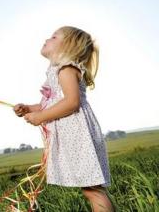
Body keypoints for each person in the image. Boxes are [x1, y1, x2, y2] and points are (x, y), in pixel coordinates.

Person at [13, 26, 115, 211]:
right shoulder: (56, 72)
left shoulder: (66, 70)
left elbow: (71, 102)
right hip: (74, 135)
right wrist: (29, 108)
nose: (47, 38)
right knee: (91, 189)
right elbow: (53, 103)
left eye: (53, 37)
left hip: (79, 135)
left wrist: (40, 117)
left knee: (93, 190)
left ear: (68, 47)